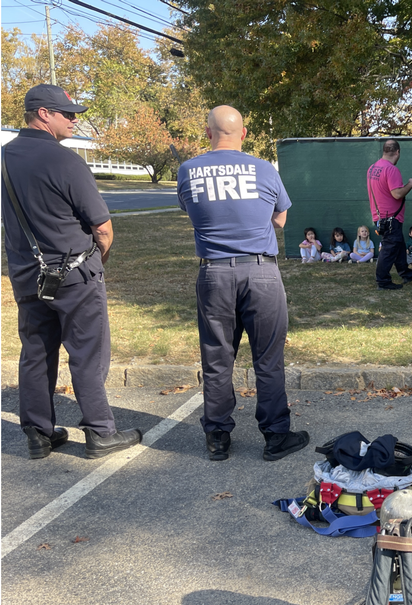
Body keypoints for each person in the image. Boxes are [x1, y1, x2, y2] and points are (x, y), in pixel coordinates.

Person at [1, 84, 142, 460]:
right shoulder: (66, 161)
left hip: (26, 274)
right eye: (67, 113)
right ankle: (100, 431)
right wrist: (99, 262)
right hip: (74, 275)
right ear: (43, 114)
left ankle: (38, 433)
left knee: (35, 352)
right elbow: (103, 228)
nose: (74, 119)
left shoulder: (4, 158)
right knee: (88, 353)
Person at [177, 105, 309, 462]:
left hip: (214, 273)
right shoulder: (264, 169)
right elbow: (280, 218)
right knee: (268, 359)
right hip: (261, 272)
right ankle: (276, 436)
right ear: (244, 134)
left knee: (217, 359)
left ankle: (217, 436)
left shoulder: (188, 170)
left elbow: (192, 213)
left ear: (208, 133)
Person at [366, 139, 412, 290]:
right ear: (397, 152)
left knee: (398, 245)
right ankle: (382, 281)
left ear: (384, 151)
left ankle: (406, 273)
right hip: (391, 218)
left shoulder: (372, 168)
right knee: (389, 249)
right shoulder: (391, 169)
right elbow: (397, 194)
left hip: (380, 217)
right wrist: (411, 184)